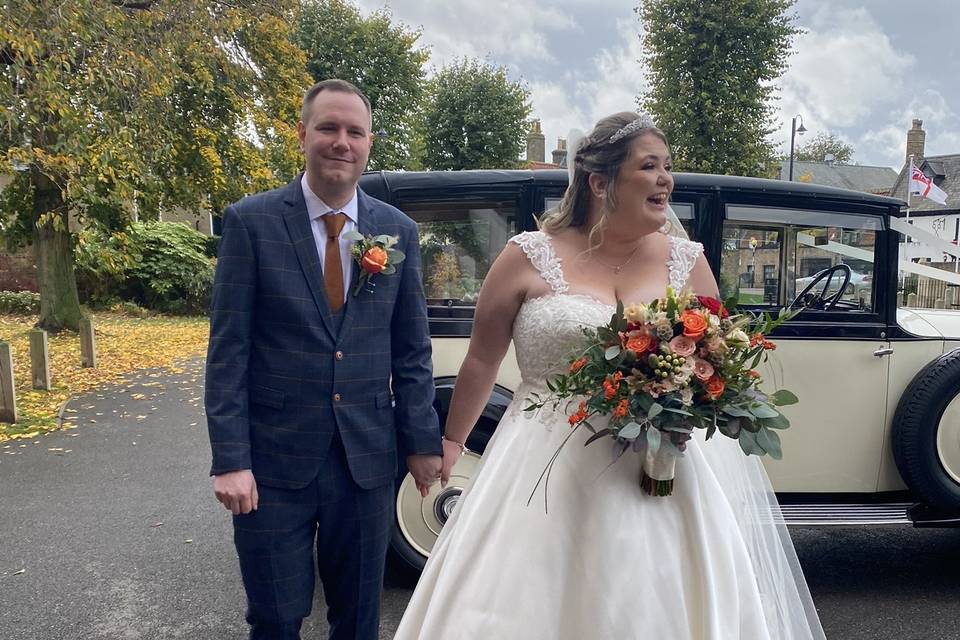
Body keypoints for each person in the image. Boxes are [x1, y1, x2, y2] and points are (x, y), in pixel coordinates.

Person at [394, 112, 826, 639]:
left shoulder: (685, 260)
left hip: (658, 461)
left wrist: (699, 386)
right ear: (600, 182)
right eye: (649, 166)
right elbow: (483, 359)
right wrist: (453, 440)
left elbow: (718, 351)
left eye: (668, 167)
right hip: (540, 461)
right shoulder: (526, 257)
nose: (666, 179)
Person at [204, 78, 442, 640]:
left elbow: (412, 353)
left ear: (369, 143)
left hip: (364, 463)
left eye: (354, 131)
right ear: (303, 134)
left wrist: (422, 443)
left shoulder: (397, 231)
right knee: (276, 616)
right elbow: (228, 351)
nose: (341, 141)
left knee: (358, 619)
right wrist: (230, 458)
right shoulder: (251, 222)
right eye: (329, 128)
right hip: (271, 464)